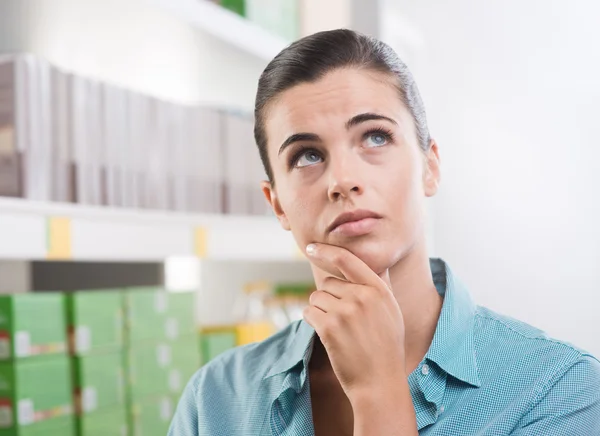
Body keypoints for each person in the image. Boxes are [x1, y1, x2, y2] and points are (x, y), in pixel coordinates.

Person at [168, 29, 600, 435]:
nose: (342, 179)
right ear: (277, 203)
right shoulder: (214, 401)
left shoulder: (559, 390)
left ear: (430, 167)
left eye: (375, 136)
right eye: (306, 156)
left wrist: (379, 392)